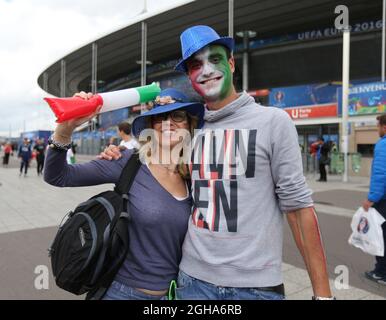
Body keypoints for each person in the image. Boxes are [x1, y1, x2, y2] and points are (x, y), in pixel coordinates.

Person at [100, 26, 333, 300]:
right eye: (196, 65)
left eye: (215, 59)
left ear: (232, 63)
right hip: (192, 283)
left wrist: (323, 294)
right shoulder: (190, 131)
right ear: (190, 76)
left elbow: (298, 209)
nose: (207, 70)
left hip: (256, 289)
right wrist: (115, 153)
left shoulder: (273, 122)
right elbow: (158, 169)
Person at [43, 88, 204, 300]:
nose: (168, 122)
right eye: (160, 117)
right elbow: (58, 176)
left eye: (177, 116)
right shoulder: (128, 162)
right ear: (151, 127)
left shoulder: (195, 175)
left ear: (189, 126)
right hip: (121, 293)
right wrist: (64, 130)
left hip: (174, 295)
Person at [362, 113, 386, 285]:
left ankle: (381, 272)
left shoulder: (383, 145)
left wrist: (372, 199)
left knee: (381, 235)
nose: (377, 129)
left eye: (378, 126)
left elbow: (381, 174)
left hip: (384, 200)